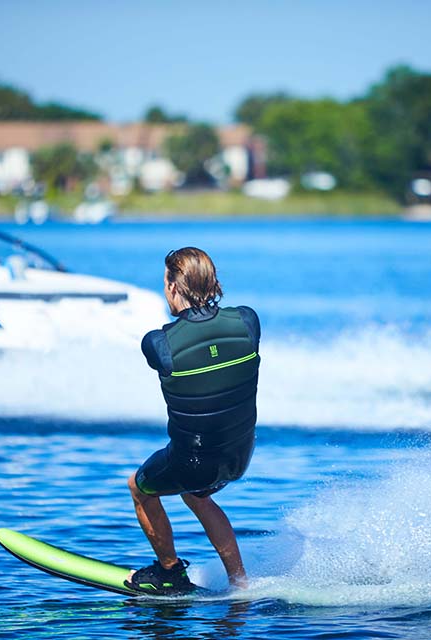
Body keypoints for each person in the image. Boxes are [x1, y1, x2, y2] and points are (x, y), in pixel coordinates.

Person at [125, 247, 261, 595]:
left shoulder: (158, 343)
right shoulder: (247, 320)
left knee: (139, 488)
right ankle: (240, 583)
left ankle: (169, 572)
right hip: (238, 457)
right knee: (198, 497)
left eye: (165, 283)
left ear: (173, 285)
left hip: (192, 462)